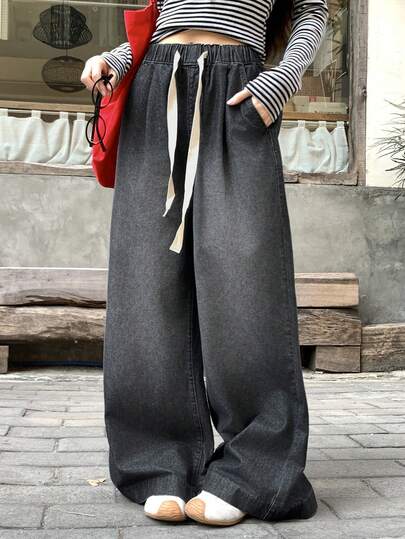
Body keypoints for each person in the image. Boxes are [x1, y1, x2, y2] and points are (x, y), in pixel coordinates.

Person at [81, 0, 329, 528]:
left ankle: (255, 471)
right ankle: (158, 463)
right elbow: (166, 17)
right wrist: (117, 60)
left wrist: (282, 79)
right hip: (156, 87)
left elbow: (312, 9)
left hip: (240, 90)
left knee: (246, 282)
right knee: (146, 281)